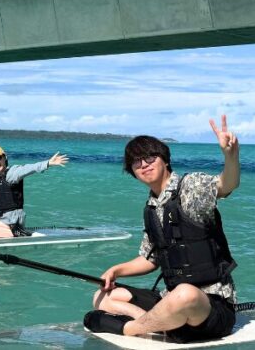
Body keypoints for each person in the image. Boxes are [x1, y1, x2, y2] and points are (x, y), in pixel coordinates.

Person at [84, 115, 240, 342]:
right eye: (136, 162)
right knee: (103, 296)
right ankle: (161, 324)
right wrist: (115, 270)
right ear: (132, 172)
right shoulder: (151, 208)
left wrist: (231, 156)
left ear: (165, 160)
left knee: (185, 293)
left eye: (150, 157)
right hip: (170, 298)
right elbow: (151, 259)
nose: (144, 164)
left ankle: (133, 328)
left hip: (210, 306)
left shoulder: (190, 186)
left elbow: (226, 185)